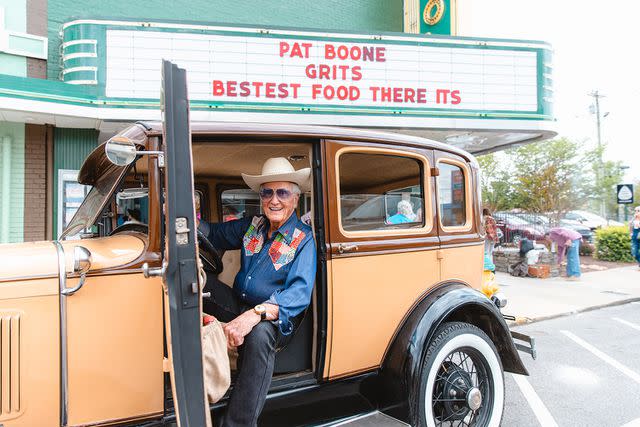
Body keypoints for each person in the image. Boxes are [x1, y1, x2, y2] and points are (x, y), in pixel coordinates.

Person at [198, 157, 316, 426]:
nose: (274, 200)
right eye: (267, 192)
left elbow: (298, 294)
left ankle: (238, 423)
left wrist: (255, 315)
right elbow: (213, 234)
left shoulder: (303, 238)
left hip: (275, 318)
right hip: (239, 303)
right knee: (197, 284)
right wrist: (184, 217)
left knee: (260, 335)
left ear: (295, 199)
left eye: (282, 192)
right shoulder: (253, 225)